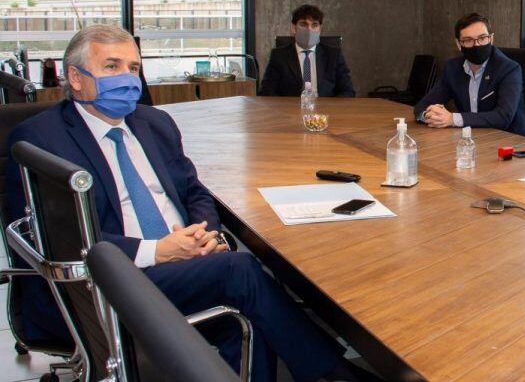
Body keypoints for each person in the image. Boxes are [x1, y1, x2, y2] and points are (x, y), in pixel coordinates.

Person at [5, 25, 375, 382]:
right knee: (240, 272)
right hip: (109, 281)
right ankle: (332, 371)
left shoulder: (155, 122)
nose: (128, 78)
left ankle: (324, 368)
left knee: (252, 319)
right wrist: (157, 250)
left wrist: (205, 233)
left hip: (184, 259)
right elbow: (57, 238)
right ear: (75, 77)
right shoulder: (40, 139)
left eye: (134, 68)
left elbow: (193, 190)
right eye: (112, 66)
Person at [413, 13, 525, 136]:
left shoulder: (509, 69)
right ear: (458, 44)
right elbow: (421, 106)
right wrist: (429, 116)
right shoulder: (453, 69)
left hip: (516, 141)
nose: (476, 45)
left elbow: (503, 117)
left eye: (482, 38)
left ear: (491, 39)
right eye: (468, 40)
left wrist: (452, 119)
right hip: (476, 138)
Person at [260, 4, 355, 97]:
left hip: (325, 110)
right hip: (291, 110)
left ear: (320, 29)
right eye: (303, 24)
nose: (309, 29)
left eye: (314, 25)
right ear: (294, 28)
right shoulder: (279, 56)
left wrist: (330, 109)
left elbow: (347, 91)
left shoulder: (334, 55)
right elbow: (267, 92)